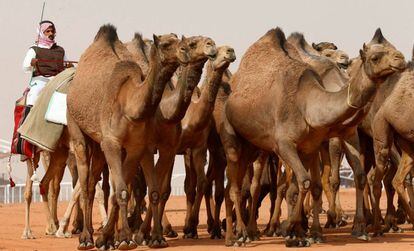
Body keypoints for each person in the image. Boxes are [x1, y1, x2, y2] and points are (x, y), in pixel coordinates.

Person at [22, 20, 71, 106]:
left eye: (52, 31)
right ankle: (28, 116)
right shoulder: (34, 49)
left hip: (58, 80)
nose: (50, 33)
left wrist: (69, 66)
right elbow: (25, 67)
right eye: (47, 31)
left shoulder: (60, 50)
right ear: (41, 33)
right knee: (35, 93)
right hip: (40, 79)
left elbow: (66, 64)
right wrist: (31, 63)